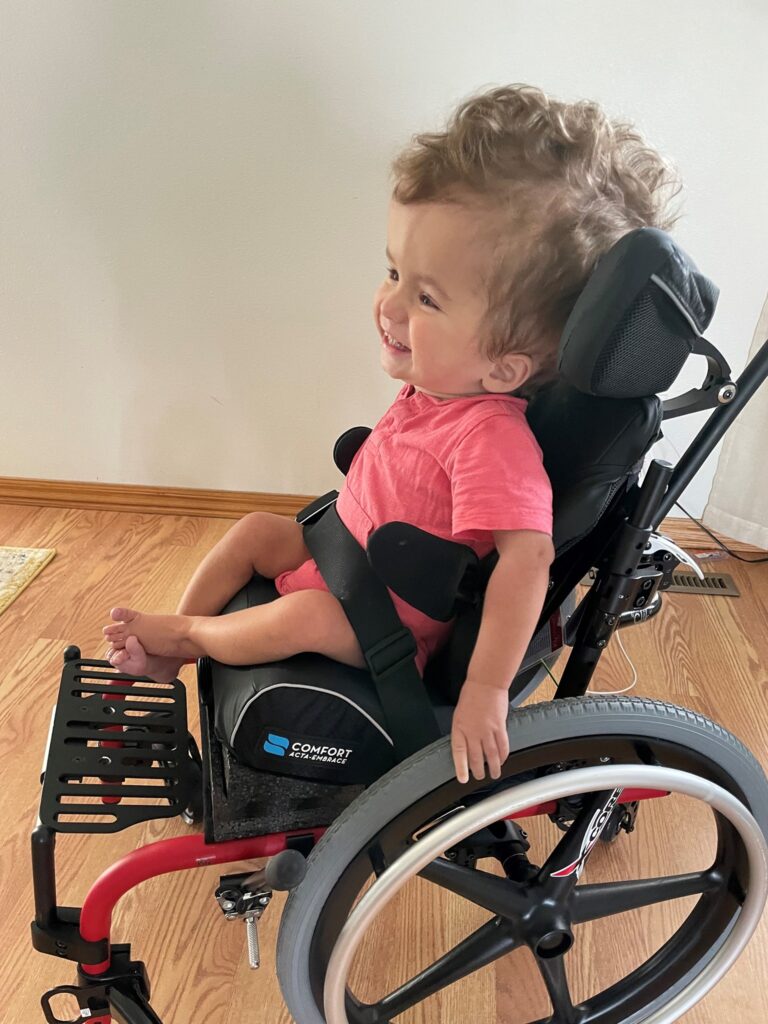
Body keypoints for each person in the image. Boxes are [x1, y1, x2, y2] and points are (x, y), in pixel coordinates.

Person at [103, 84, 680, 784]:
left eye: (426, 297)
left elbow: (527, 561)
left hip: (390, 622)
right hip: (348, 553)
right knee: (256, 530)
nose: (389, 304)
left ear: (506, 367)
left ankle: (190, 640)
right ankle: (171, 644)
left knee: (310, 616)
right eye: (394, 272)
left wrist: (486, 691)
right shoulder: (442, 386)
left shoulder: (493, 441)